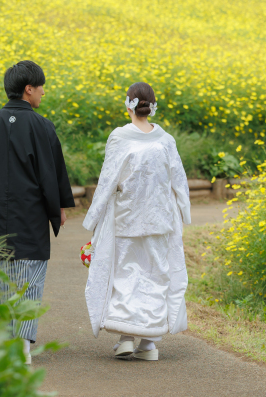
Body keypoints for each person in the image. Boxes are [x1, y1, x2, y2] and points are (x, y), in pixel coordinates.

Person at [0, 60, 75, 365]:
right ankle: (21, 344)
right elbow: (52, 173)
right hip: (31, 218)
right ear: (28, 89)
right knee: (29, 279)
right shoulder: (42, 126)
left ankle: (0, 342)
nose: (44, 93)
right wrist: (58, 207)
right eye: (41, 87)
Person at [82, 82, 191, 361]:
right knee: (156, 275)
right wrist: (184, 212)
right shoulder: (166, 140)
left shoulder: (120, 137)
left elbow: (108, 180)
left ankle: (126, 337)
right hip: (160, 218)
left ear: (128, 103)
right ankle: (149, 344)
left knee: (126, 275)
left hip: (127, 217)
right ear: (152, 106)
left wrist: (93, 219)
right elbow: (179, 180)